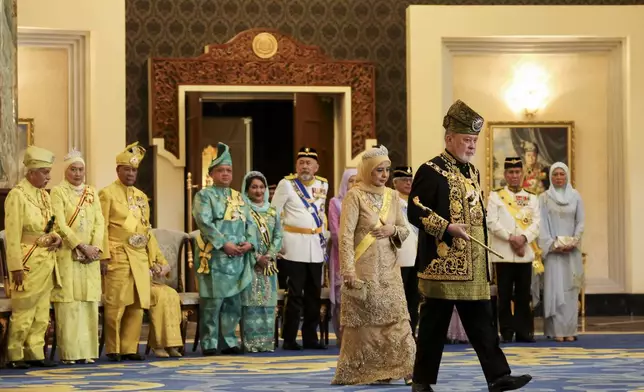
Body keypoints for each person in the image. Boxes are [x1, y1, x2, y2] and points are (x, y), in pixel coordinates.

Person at [407, 100, 532, 392]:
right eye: (467, 140)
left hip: (473, 267)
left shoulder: (471, 173)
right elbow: (415, 210)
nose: (472, 145)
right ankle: (422, 381)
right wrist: (446, 227)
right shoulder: (431, 170)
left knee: (482, 323)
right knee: (433, 327)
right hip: (442, 266)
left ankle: (498, 376)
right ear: (449, 139)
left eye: (475, 140)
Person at [331, 145, 415, 385]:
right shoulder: (354, 195)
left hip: (389, 268)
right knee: (367, 324)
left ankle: (406, 369)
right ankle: (372, 371)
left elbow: (404, 229)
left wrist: (393, 230)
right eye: (379, 170)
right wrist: (347, 270)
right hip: (363, 268)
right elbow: (345, 235)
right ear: (368, 170)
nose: (384, 175)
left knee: (397, 319)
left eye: (387, 170)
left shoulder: (392, 196)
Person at [100, 142, 164, 361]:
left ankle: (130, 347)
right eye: (126, 169)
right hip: (118, 254)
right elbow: (102, 227)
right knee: (117, 303)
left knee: (137, 305)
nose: (130, 173)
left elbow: (147, 230)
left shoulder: (141, 197)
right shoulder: (107, 194)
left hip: (139, 256)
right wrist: (104, 256)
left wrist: (155, 258)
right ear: (118, 170)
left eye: (134, 170)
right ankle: (114, 348)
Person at [192, 142, 255, 355]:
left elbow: (250, 224)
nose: (226, 174)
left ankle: (228, 341)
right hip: (215, 256)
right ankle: (209, 343)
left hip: (238, 256)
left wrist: (249, 243)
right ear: (211, 174)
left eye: (229, 170)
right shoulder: (204, 196)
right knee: (213, 301)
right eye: (221, 170)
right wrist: (223, 244)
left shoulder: (239, 196)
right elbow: (204, 222)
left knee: (233, 302)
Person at [4, 146, 61, 369]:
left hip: (47, 260)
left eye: (48, 172)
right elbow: (12, 234)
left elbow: (50, 225)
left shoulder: (44, 196)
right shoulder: (17, 195)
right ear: (31, 173)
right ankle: (15, 354)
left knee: (41, 310)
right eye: (45, 172)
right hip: (27, 262)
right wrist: (15, 266)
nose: (48, 177)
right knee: (24, 309)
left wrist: (55, 236)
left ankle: (35, 352)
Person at [271, 147, 328, 350]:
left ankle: (311, 338)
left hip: (315, 246)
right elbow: (274, 214)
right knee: (295, 295)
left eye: (309, 163)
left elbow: (321, 214)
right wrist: (277, 244)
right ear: (296, 166)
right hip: (293, 245)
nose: (305, 166)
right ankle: (289, 338)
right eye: (301, 162)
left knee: (313, 294)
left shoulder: (323, 184)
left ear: (316, 167)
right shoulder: (287, 184)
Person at [50, 149, 104, 364]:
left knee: (88, 303)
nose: (78, 173)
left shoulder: (92, 191)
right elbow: (59, 223)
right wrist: (80, 245)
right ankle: (71, 353)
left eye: (81, 169)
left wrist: (95, 248)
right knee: (70, 304)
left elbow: (100, 222)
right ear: (66, 171)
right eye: (73, 169)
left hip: (90, 256)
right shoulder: (57, 192)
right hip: (68, 253)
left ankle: (89, 352)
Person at [487, 157, 540, 343]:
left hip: (524, 254)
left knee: (524, 295)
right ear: (505, 175)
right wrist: (511, 238)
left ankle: (524, 331)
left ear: (522, 173)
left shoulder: (532, 198)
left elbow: (537, 223)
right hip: (503, 253)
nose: (514, 176)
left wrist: (523, 239)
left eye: (517, 172)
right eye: (511, 172)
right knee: (504, 294)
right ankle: (507, 331)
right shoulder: (495, 196)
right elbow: (491, 222)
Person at [538, 162, 584, 342]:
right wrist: (553, 244)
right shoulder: (544, 198)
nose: (559, 177)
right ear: (550, 177)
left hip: (571, 252)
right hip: (553, 252)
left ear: (567, 176)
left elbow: (580, 222)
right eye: (555, 174)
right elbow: (540, 224)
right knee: (554, 289)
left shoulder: (576, 196)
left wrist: (573, 241)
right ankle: (556, 330)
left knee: (570, 290)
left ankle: (570, 330)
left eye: (562, 174)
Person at [240, 171, 283, 352]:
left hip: (269, 265)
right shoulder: (242, 211)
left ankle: (266, 343)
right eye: (254, 187)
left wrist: (270, 255)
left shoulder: (272, 211)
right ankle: (251, 343)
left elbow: (278, 235)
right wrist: (257, 257)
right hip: (250, 263)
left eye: (261, 187)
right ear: (247, 189)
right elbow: (240, 236)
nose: (258, 191)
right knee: (250, 303)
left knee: (267, 302)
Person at [328, 167, 358, 346]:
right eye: (351, 181)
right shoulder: (336, 202)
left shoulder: (364, 200)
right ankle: (343, 337)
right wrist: (350, 248)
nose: (354, 184)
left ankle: (357, 337)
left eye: (357, 180)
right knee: (342, 297)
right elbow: (335, 232)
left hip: (362, 256)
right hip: (342, 256)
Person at [392, 166, 419, 337]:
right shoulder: (391, 201)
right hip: (400, 257)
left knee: (414, 299)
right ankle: (398, 334)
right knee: (398, 300)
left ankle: (411, 333)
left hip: (417, 257)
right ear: (395, 183)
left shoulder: (417, 202)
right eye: (404, 180)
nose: (408, 183)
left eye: (410, 180)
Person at [148, 246, 184, 358]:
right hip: (138, 282)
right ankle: (158, 344)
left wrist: (164, 268)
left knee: (172, 294)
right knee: (160, 296)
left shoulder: (148, 236)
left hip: (155, 282)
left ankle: (171, 344)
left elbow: (160, 257)